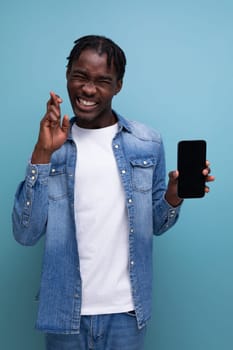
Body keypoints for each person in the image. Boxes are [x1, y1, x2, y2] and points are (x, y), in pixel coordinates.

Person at [12, 35, 214, 350]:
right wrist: (41, 153)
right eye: (80, 76)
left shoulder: (146, 142)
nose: (88, 89)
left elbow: (157, 225)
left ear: (118, 85)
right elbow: (25, 233)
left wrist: (174, 195)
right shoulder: (53, 147)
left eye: (102, 81)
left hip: (127, 314)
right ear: (67, 75)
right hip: (66, 314)